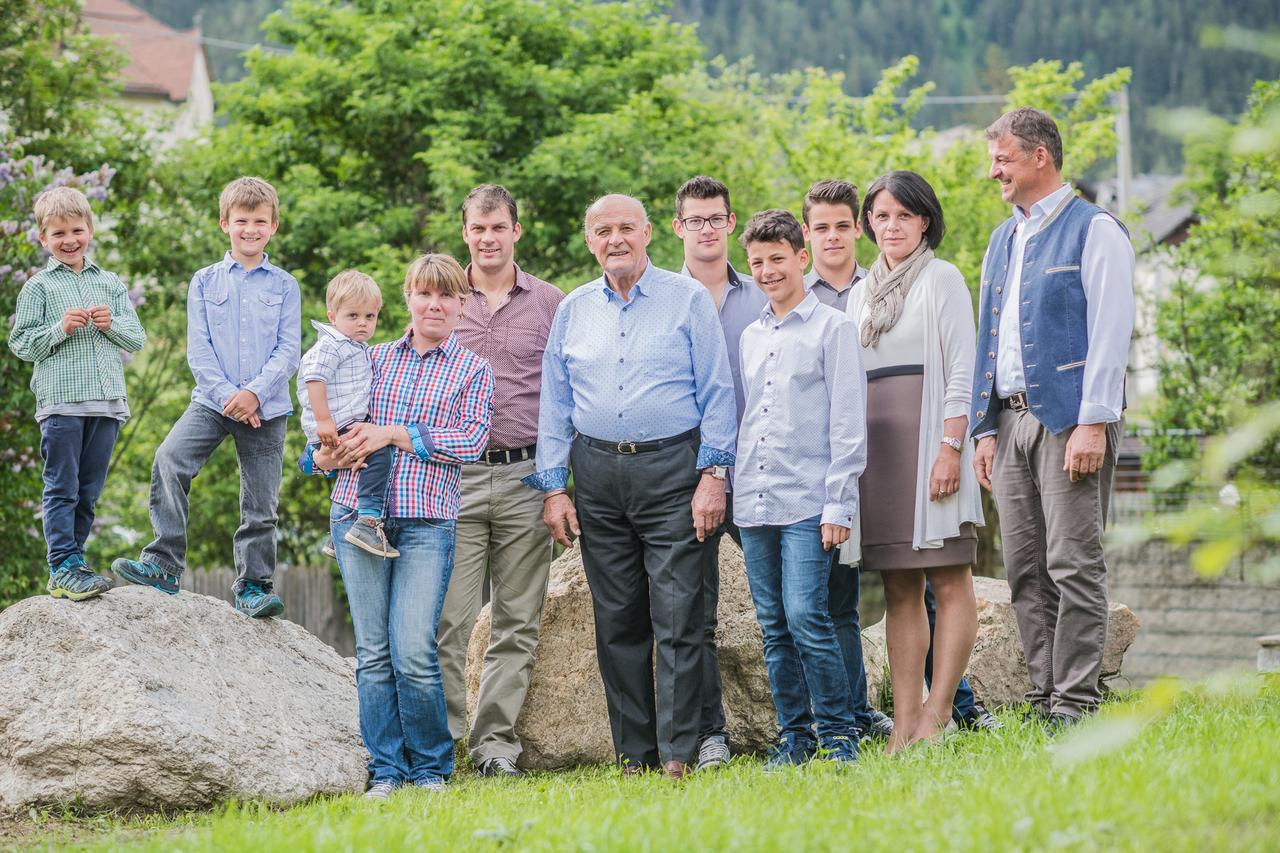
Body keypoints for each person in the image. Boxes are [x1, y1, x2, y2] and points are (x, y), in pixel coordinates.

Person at [525, 194, 737, 779]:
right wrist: (554, 488)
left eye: (625, 228)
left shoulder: (687, 298)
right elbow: (555, 406)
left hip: (674, 472)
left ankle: (677, 753)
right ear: (589, 240)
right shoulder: (572, 309)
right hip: (595, 476)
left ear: (648, 234)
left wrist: (712, 476)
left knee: (678, 616)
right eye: (602, 230)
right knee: (617, 620)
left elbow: (718, 392)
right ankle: (634, 757)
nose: (614, 239)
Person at [971, 108, 1135, 730]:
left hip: (1070, 420)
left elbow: (1112, 334)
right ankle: (1044, 698)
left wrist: (1094, 421)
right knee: (1023, 567)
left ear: (1041, 157)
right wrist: (985, 429)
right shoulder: (1002, 239)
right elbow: (992, 336)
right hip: (1009, 423)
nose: (995, 172)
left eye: (1004, 159)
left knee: (1073, 561)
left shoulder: (1096, 230)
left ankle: (1076, 702)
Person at [311, 253, 494, 798]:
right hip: (356, 515)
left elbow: (470, 442)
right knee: (373, 654)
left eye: (447, 296)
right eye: (424, 294)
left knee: (413, 650)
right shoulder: (370, 358)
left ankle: (432, 767)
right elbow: (327, 427)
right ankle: (386, 769)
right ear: (409, 299)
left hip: (425, 524)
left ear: (463, 304)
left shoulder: (472, 369)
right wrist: (323, 456)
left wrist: (394, 433)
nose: (435, 305)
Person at [112, 177, 300, 618]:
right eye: (241, 221)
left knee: (260, 504)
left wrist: (253, 393)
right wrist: (229, 395)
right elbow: (198, 350)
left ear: (273, 226)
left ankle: (254, 585)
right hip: (212, 402)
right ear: (224, 224)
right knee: (169, 459)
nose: (249, 229)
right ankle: (163, 562)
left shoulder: (285, 286)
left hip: (266, 409)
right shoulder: (203, 281)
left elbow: (289, 351)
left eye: (259, 221)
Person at [847, 170, 985, 750]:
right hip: (879, 455)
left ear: (924, 220)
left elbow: (963, 371)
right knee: (900, 589)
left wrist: (950, 448)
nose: (892, 226)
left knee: (949, 580)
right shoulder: (859, 292)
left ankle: (939, 712)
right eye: (881, 216)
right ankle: (904, 723)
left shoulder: (943, 279)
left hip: (933, 443)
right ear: (868, 225)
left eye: (904, 215)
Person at [437, 185, 563, 778]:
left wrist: (562, 482)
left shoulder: (551, 303)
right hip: (449, 479)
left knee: (516, 621)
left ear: (517, 230)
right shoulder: (442, 300)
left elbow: (565, 398)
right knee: (450, 620)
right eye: (477, 228)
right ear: (465, 233)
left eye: (498, 227)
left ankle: (495, 748)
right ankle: (445, 745)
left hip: (527, 478)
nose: (488, 238)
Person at [736, 209, 865, 768]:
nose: (768, 271)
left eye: (778, 259)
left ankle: (840, 733)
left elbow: (848, 423)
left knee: (807, 617)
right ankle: (795, 735)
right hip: (754, 501)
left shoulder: (832, 329)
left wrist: (840, 502)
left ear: (802, 257)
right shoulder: (750, 335)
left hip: (809, 501)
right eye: (758, 262)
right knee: (772, 627)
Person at [9, 186, 146, 601]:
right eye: (58, 234)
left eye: (76, 230)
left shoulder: (110, 283)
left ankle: (76, 563)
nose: (69, 240)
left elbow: (136, 339)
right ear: (43, 239)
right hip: (62, 404)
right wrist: (60, 329)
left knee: (88, 492)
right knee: (61, 487)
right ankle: (62, 564)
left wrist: (111, 325)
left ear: (89, 230)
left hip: (107, 404)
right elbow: (19, 343)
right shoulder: (39, 288)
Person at [671, 175, 766, 771]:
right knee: (694, 611)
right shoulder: (659, 299)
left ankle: (815, 721)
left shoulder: (767, 292)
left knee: (790, 603)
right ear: (677, 228)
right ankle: (710, 735)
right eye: (695, 220)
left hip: (763, 471)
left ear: (731, 223)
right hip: (690, 475)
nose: (706, 229)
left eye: (716, 219)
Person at [298, 270, 396, 559]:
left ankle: (337, 533)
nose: (363, 323)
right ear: (333, 316)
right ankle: (367, 520)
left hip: (341, 422)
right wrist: (324, 421)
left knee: (359, 469)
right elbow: (314, 379)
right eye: (353, 316)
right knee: (379, 455)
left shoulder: (356, 347)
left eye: (370, 316)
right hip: (336, 424)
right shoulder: (332, 345)